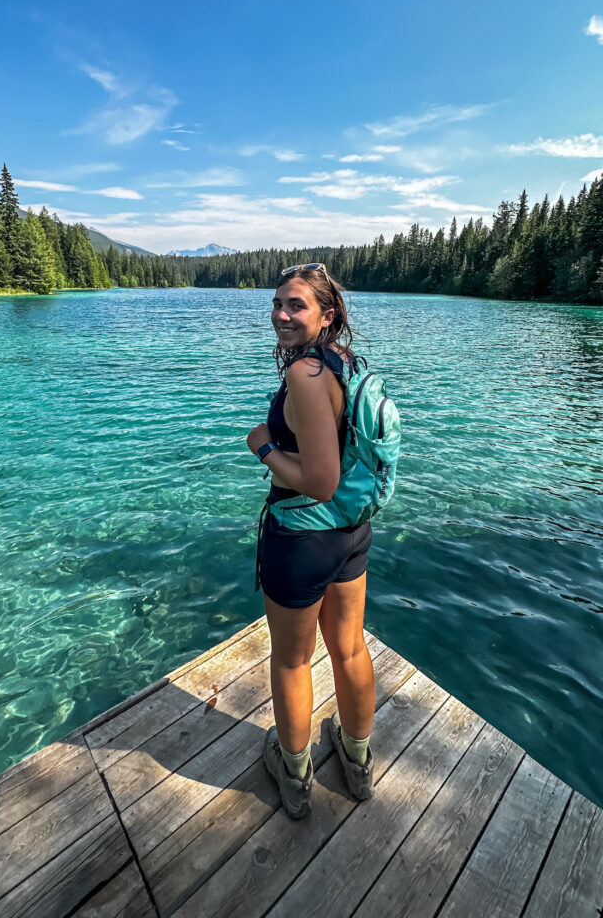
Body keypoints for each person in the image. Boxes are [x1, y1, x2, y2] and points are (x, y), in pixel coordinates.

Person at [246, 262, 376, 819]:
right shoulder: (342, 363)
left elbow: (320, 482)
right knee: (348, 647)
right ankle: (356, 760)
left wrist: (263, 448)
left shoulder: (305, 374)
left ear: (327, 313)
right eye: (278, 303)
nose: (281, 314)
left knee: (294, 661)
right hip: (350, 533)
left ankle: (295, 775)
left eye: (296, 305)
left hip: (301, 538)